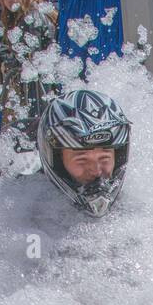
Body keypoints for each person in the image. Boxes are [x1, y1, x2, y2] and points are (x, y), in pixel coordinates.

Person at [37, 88, 132, 218]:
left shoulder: (138, 213)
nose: (96, 171)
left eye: (105, 158)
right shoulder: (26, 214)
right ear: (57, 160)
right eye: (82, 160)